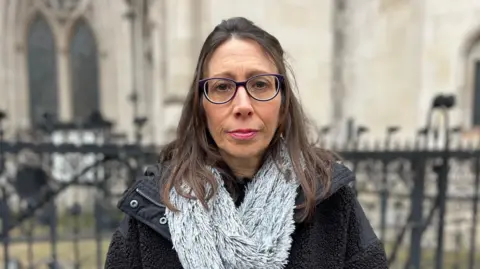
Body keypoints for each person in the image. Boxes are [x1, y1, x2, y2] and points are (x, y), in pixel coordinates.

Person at [105, 17, 388, 269]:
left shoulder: (330, 200)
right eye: (222, 87)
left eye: (260, 85)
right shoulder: (153, 207)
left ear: (283, 105)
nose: (243, 105)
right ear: (201, 108)